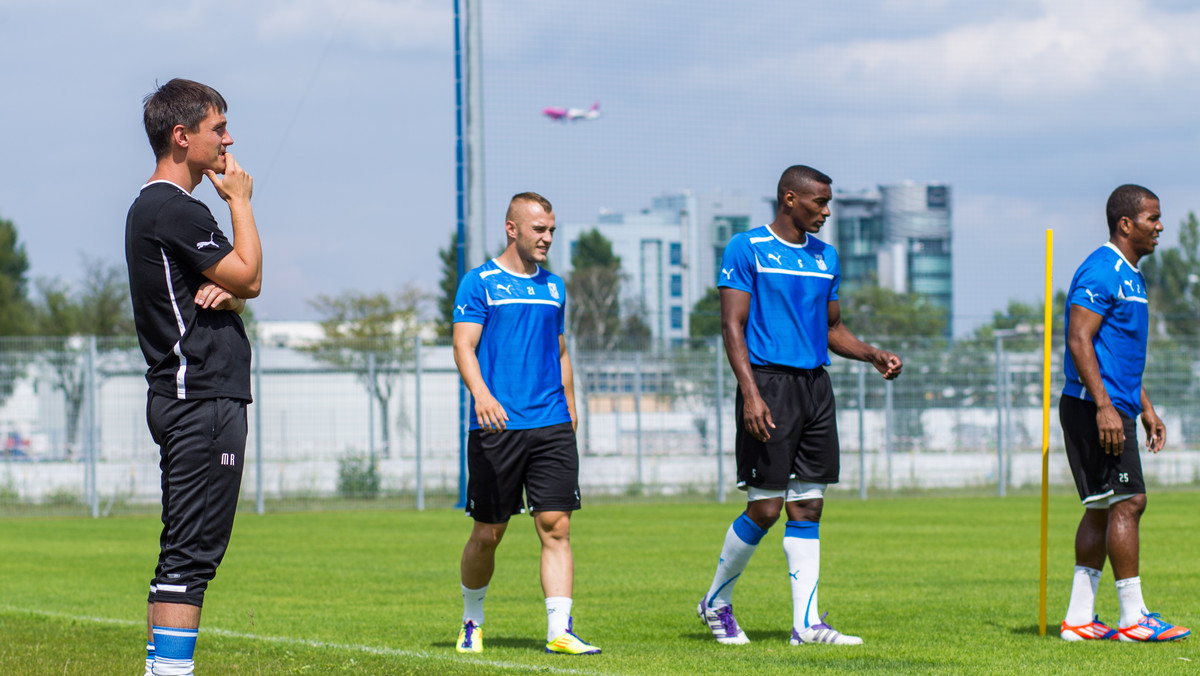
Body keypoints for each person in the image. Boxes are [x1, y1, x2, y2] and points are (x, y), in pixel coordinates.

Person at [699, 165, 902, 647]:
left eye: (829, 203)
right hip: (767, 384)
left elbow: (832, 328)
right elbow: (732, 327)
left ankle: (806, 625)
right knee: (766, 507)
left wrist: (872, 354)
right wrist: (750, 393)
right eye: (819, 203)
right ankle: (716, 602)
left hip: (815, 389)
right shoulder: (746, 248)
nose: (827, 212)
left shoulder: (826, 257)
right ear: (790, 198)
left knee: (808, 505)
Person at [125, 78, 262, 676]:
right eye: (218, 127)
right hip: (202, 398)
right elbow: (251, 275)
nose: (228, 139)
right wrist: (240, 200)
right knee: (191, 558)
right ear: (182, 137)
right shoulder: (174, 208)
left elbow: (229, 288)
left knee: (179, 552)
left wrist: (230, 296)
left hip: (185, 397)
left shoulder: (154, 209)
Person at [451, 192, 600, 656]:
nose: (548, 238)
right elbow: (463, 347)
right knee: (489, 532)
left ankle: (559, 629)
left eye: (552, 229)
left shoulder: (554, 286)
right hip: (498, 427)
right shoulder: (480, 283)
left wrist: (572, 405)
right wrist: (482, 394)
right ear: (512, 228)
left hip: (551, 422)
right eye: (540, 229)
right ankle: (471, 621)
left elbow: (559, 351)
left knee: (557, 526)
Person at [1058, 184, 1189, 643]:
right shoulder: (1101, 269)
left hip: (1114, 406)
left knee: (1102, 508)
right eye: (1152, 218)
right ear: (1126, 224)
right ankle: (1134, 618)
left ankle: (1078, 620)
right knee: (1130, 502)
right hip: (1095, 409)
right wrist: (1105, 407)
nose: (1160, 226)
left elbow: (1120, 355)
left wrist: (1146, 409)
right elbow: (1078, 340)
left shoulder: (1133, 276)